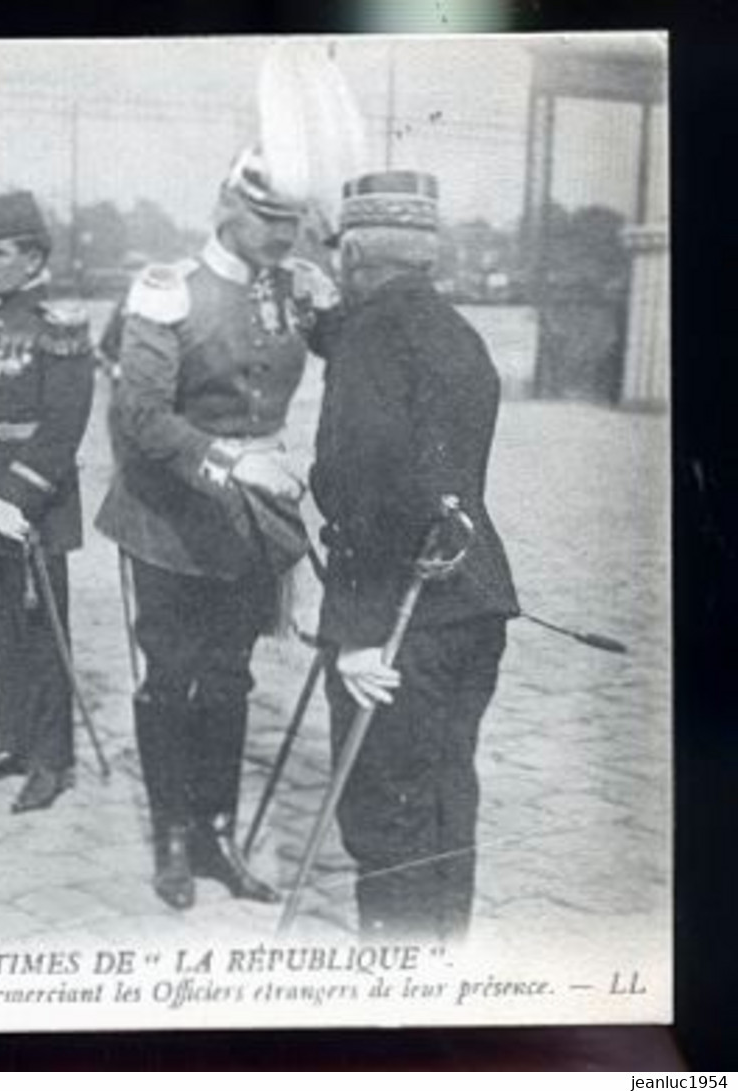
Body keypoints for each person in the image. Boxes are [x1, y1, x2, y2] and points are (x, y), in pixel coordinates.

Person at [95, 148, 332, 910]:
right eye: (268, 217)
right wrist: (229, 462)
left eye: (292, 220)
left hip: (249, 522)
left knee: (229, 674)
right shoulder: (167, 291)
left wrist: (339, 299)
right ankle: (171, 838)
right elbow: (140, 417)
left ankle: (216, 835)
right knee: (170, 674)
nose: (282, 233)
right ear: (225, 206)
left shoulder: (292, 291)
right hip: (168, 513)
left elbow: (352, 348)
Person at [310, 170, 519, 943]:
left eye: (339, 255)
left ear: (355, 254)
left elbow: (359, 486)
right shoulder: (453, 330)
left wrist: (357, 633)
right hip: (475, 604)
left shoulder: (368, 341)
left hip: (400, 617)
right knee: (443, 796)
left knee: (384, 812)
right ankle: (443, 971)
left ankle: (394, 993)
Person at [0, 191, 96, 814]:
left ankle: (52, 761)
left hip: (32, 503)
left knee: (42, 637)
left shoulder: (57, 327)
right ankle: (13, 743)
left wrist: (20, 495)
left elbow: (64, 425)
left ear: (32, 255)